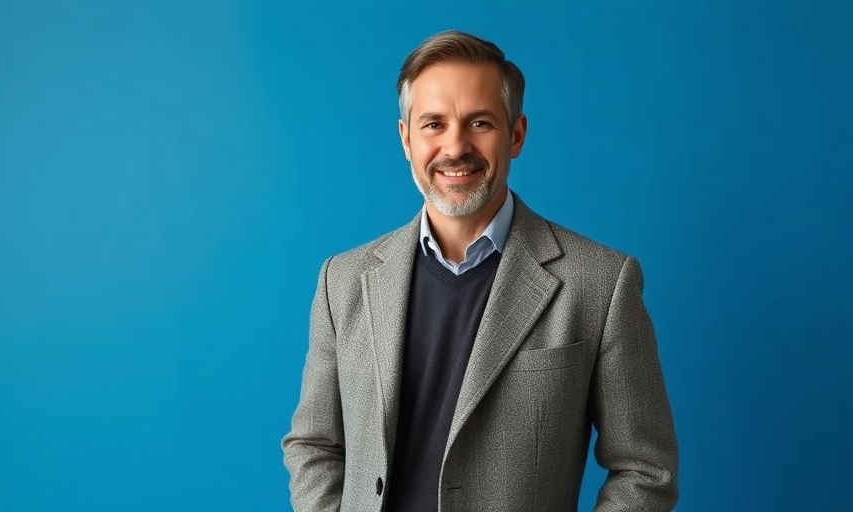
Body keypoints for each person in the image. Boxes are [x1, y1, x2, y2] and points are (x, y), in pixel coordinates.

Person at [282, 30, 678, 511]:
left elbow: (646, 470)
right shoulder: (341, 281)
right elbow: (314, 444)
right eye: (433, 124)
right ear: (406, 139)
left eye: (479, 123)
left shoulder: (599, 283)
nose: (455, 146)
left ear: (516, 135)